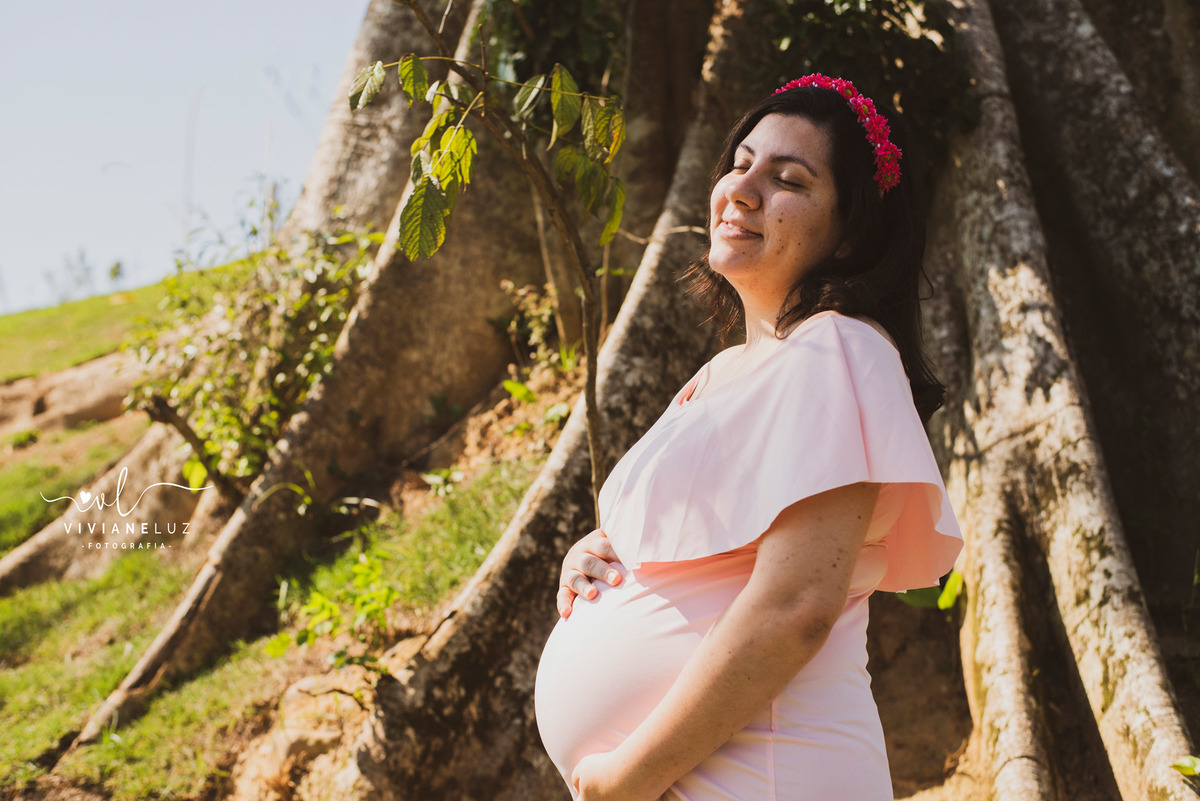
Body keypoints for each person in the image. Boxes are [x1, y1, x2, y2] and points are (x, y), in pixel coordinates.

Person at [534, 74, 964, 801]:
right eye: (740, 163)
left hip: (763, 771)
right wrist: (598, 560)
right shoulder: (719, 373)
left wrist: (627, 776)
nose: (743, 188)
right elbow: (697, 552)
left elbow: (796, 606)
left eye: (787, 178)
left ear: (851, 230)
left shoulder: (842, 348)